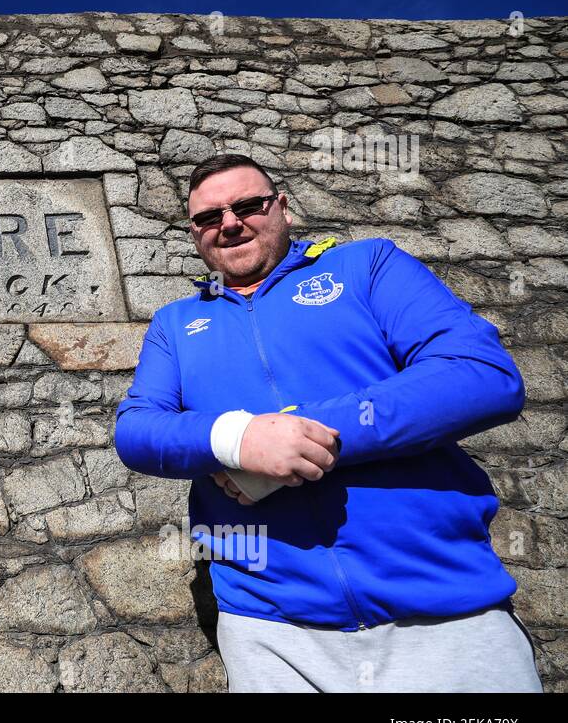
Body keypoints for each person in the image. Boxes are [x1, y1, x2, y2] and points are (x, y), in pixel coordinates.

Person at [113, 153, 543, 692]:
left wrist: (300, 435)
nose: (229, 223)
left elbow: (481, 376)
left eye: (249, 205)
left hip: (442, 612)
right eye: (208, 217)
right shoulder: (176, 323)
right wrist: (237, 440)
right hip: (270, 630)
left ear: (284, 208)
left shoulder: (367, 267)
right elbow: (136, 429)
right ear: (195, 233)